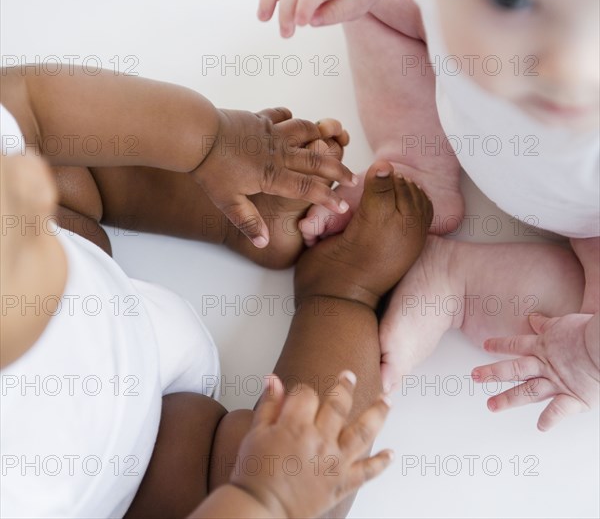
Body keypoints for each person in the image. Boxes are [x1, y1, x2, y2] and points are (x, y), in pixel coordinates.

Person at [0, 65, 432, 517]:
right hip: (121, 470)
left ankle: (234, 211)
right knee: (304, 483)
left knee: (60, 153)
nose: (25, 183)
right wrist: (266, 499)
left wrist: (212, 141)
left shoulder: (26, 196)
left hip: (86, 275)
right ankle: (346, 290)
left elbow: (26, 103)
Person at [257, 0, 600, 430]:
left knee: (576, 337)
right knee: (376, 7)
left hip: (589, 221)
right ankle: (414, 156)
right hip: (466, 103)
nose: (572, 70)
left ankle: (457, 280)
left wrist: (587, 359)